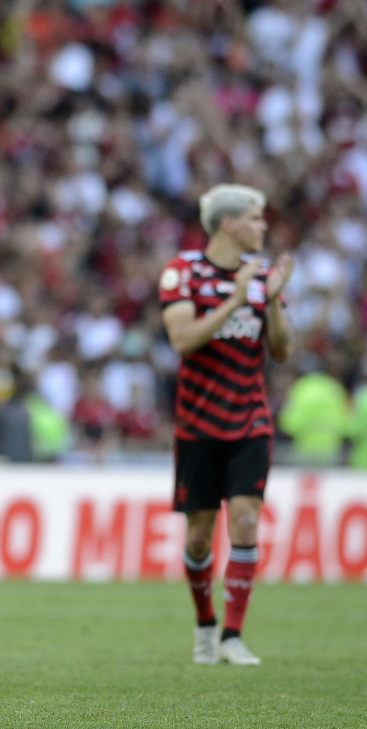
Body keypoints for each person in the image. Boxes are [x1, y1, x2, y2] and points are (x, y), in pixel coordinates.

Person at [159, 184, 293, 666]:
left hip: (249, 420)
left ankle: (233, 635)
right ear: (228, 224)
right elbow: (182, 339)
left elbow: (280, 350)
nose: (264, 227)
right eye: (256, 218)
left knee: (245, 520)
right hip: (197, 424)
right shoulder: (183, 272)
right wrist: (234, 303)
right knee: (199, 536)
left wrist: (272, 302)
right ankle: (204, 627)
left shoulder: (260, 280)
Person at [278, 371, 349, 465]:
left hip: (304, 450)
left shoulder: (301, 389)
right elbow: (345, 425)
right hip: (331, 451)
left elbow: (290, 425)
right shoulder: (335, 389)